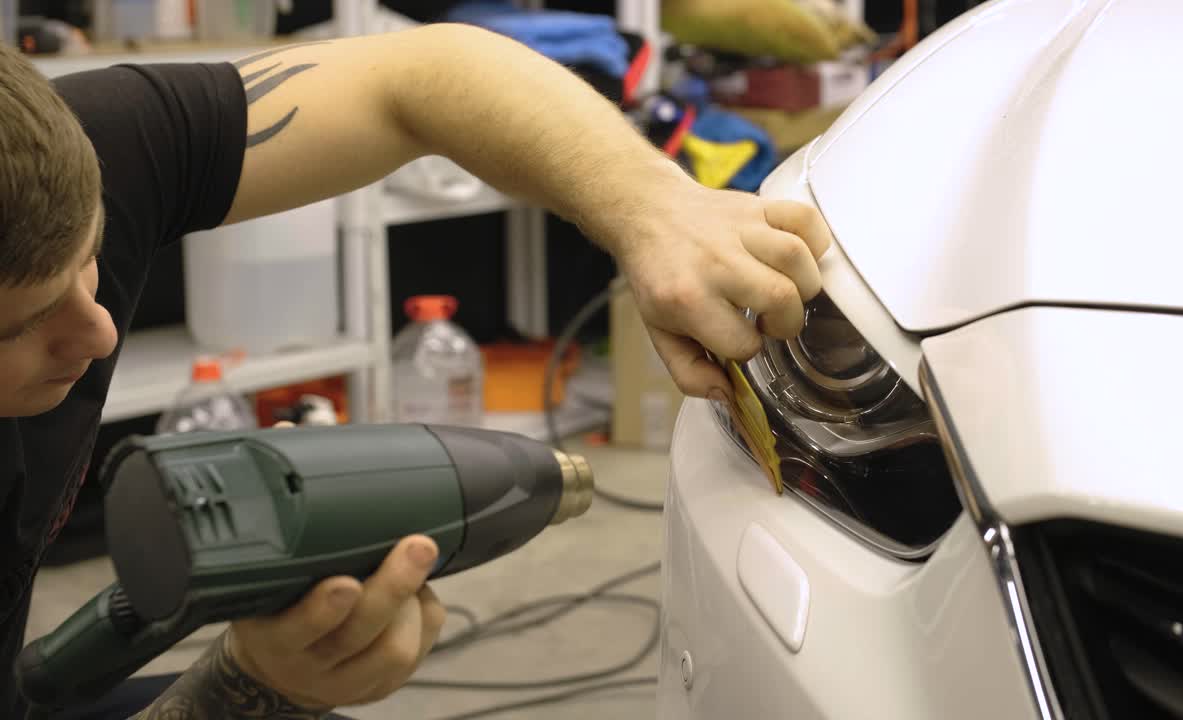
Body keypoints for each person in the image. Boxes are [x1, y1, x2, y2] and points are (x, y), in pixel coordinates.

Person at [0, 22, 833, 720]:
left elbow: (424, 76)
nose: (100, 332)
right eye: (23, 325)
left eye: (92, 255)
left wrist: (653, 208)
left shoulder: (71, 144)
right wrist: (247, 688)